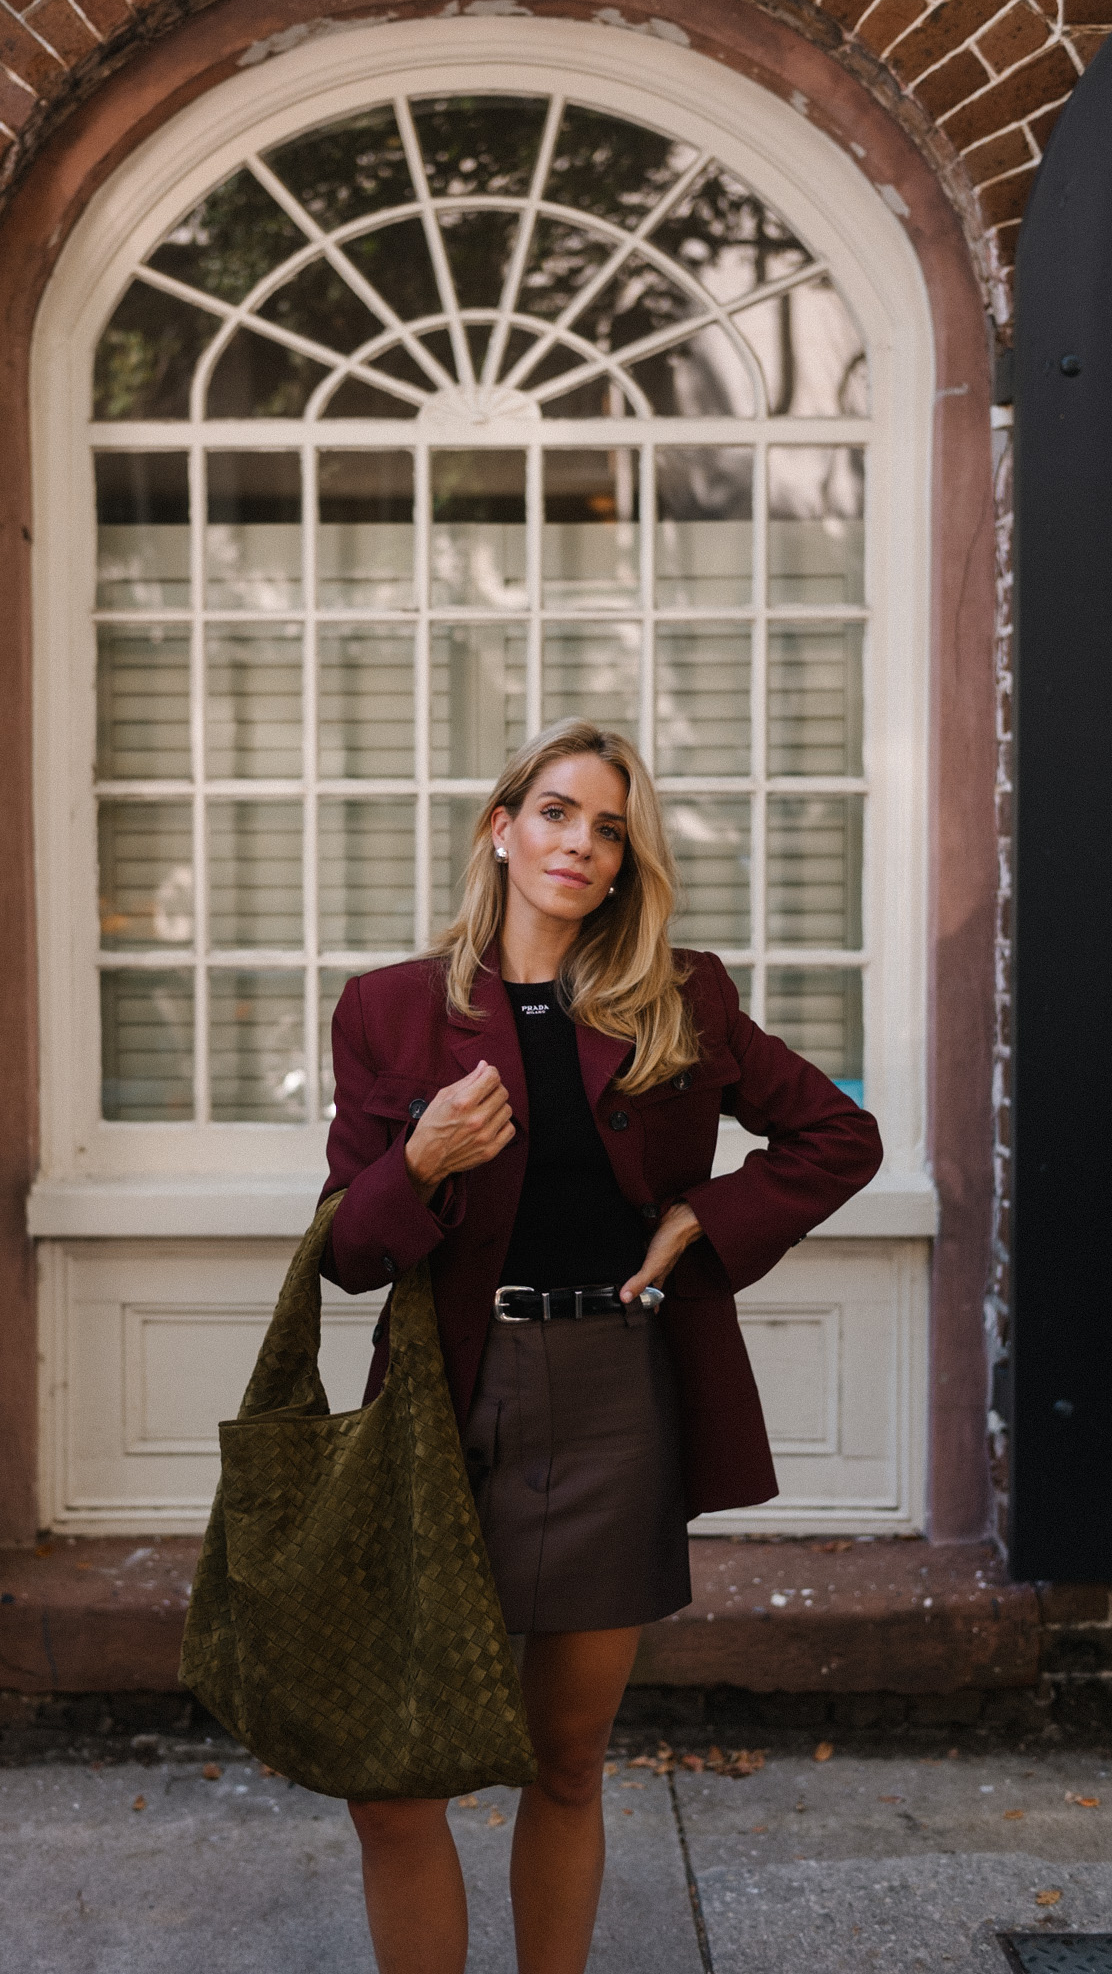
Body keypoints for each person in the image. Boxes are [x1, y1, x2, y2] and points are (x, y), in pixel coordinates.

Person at [319, 718, 882, 1974]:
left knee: (566, 1759)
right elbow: (349, 1252)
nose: (581, 844)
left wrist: (705, 1217)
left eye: (610, 829)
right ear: (501, 828)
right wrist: (418, 1161)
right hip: (445, 1400)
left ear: (628, 862)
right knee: (392, 1781)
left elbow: (840, 1137)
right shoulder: (393, 1012)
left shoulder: (681, 999)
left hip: (615, 1397)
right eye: (559, 813)